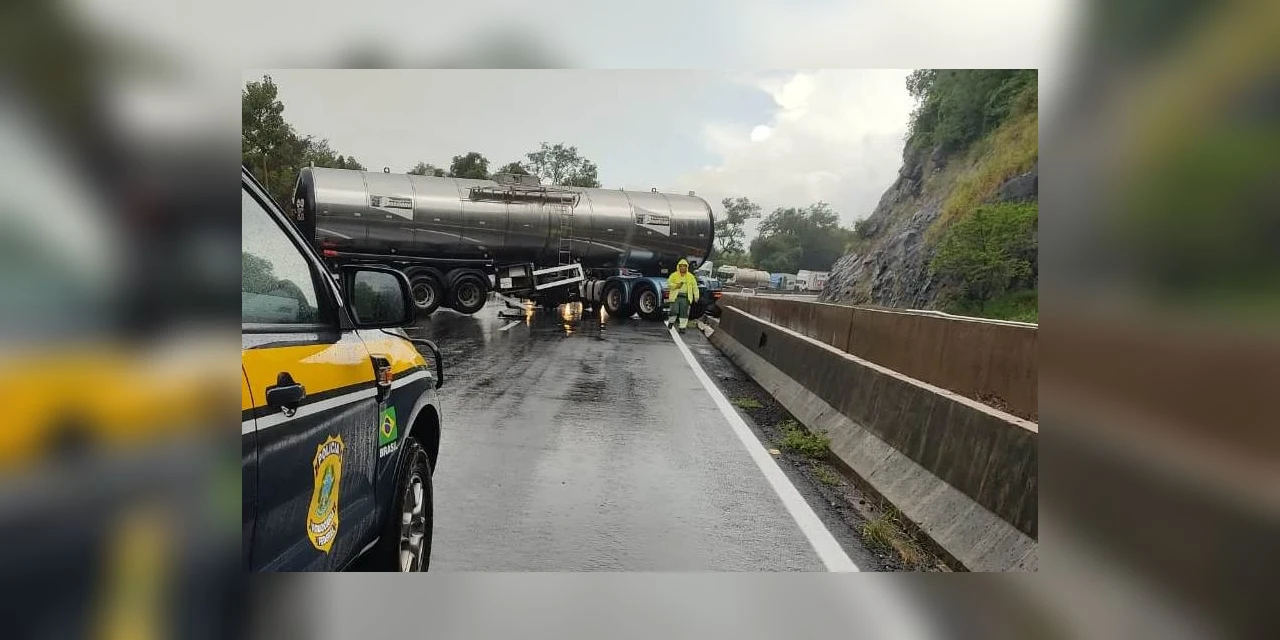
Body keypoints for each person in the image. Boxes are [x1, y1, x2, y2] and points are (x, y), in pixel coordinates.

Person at [666, 258, 700, 332]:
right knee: (674, 311)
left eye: (684, 266)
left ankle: (682, 327)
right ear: (678, 267)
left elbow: (695, 287)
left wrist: (696, 296)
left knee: (684, 312)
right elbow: (668, 284)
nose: (682, 267)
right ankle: (671, 322)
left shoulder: (690, 276)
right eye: (681, 266)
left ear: (686, 267)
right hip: (675, 297)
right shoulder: (674, 275)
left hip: (685, 297)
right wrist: (676, 286)